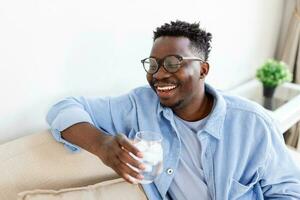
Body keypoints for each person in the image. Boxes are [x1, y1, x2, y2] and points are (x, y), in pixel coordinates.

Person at [46, 20, 300, 200]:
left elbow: (289, 191)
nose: (159, 74)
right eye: (153, 64)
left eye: (173, 63)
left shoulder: (253, 124)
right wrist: (101, 145)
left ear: (203, 70)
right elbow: (63, 109)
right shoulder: (139, 105)